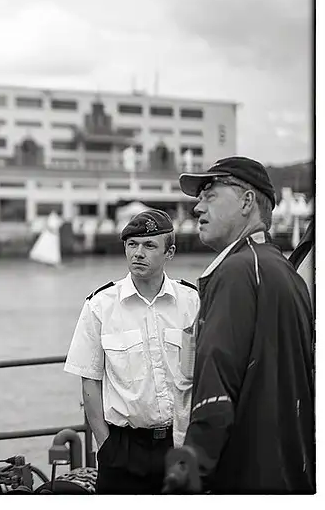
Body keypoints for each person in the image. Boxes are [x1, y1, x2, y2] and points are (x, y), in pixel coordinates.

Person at [163, 156, 315, 493]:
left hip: (242, 476)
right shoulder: (287, 274)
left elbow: (215, 394)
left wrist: (186, 477)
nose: (197, 208)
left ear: (247, 202)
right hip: (289, 471)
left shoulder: (236, 272)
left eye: (210, 195)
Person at [64, 209, 200, 494]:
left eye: (149, 245)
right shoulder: (100, 305)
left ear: (169, 252)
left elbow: (205, 372)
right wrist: (105, 444)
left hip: (182, 441)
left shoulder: (192, 302)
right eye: (132, 244)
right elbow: (89, 381)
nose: (138, 253)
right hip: (123, 448)